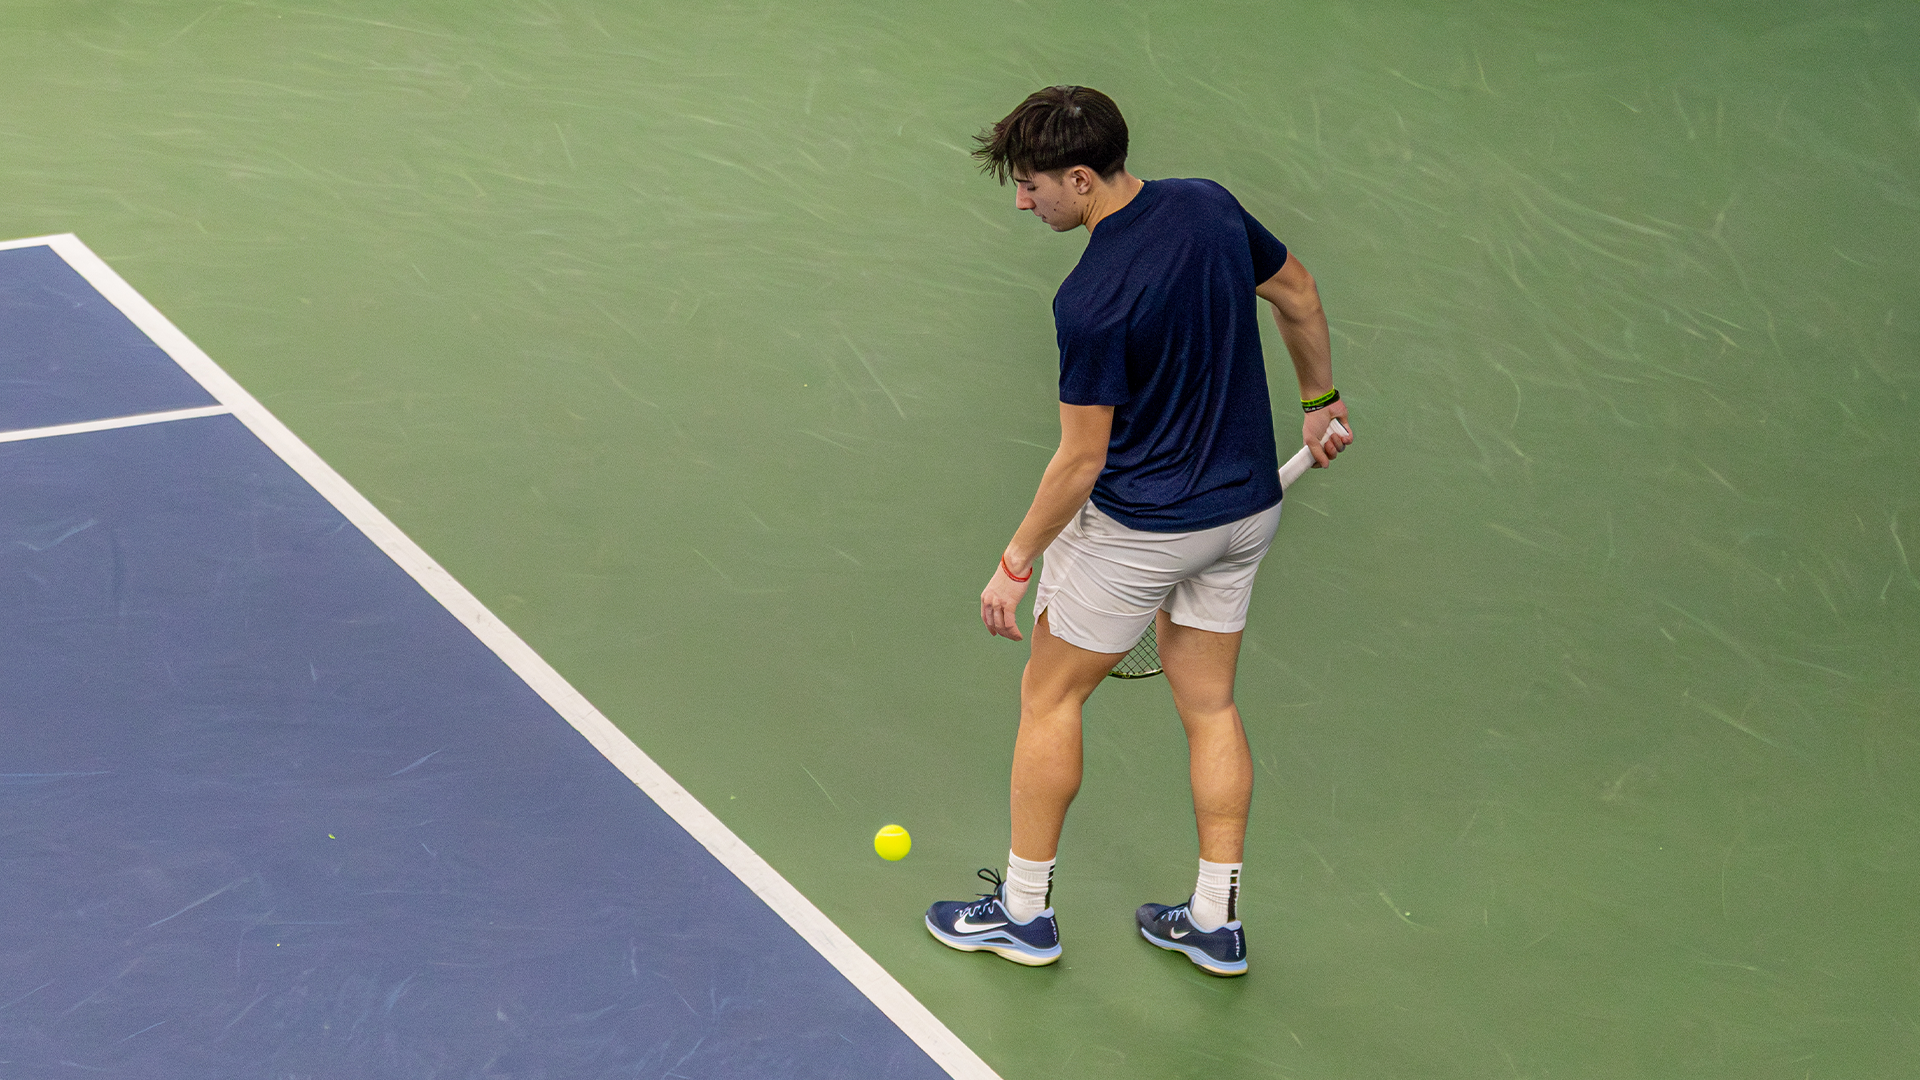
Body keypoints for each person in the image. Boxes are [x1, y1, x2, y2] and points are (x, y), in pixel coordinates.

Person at [923, 86, 1352, 977]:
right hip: (1243, 515)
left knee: (1048, 700)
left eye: (1032, 185)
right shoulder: (1209, 206)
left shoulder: (1090, 302)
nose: (1022, 202)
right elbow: (1299, 294)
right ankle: (1214, 921)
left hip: (1141, 532)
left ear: (1081, 178)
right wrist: (1320, 400)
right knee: (1211, 707)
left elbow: (1081, 461)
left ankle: (1023, 914)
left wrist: (1015, 562)